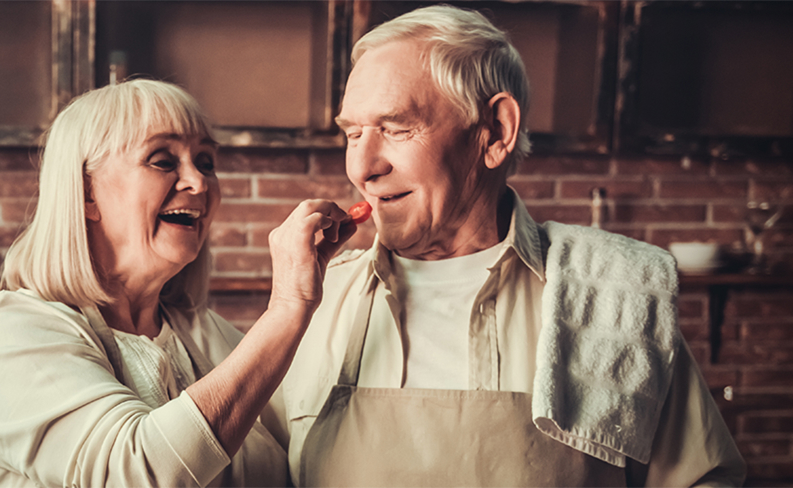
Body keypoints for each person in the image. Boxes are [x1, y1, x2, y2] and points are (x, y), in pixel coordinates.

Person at [275, 6, 747, 486]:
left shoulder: (616, 296)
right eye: (353, 134)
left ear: (496, 131)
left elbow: (705, 478)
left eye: (397, 129)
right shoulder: (314, 302)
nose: (363, 167)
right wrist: (286, 308)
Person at [0, 80, 356, 487]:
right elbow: (134, 473)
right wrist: (289, 306)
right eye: (162, 160)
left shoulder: (204, 334)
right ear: (86, 192)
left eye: (205, 162)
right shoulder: (18, 329)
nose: (199, 183)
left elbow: (301, 453)